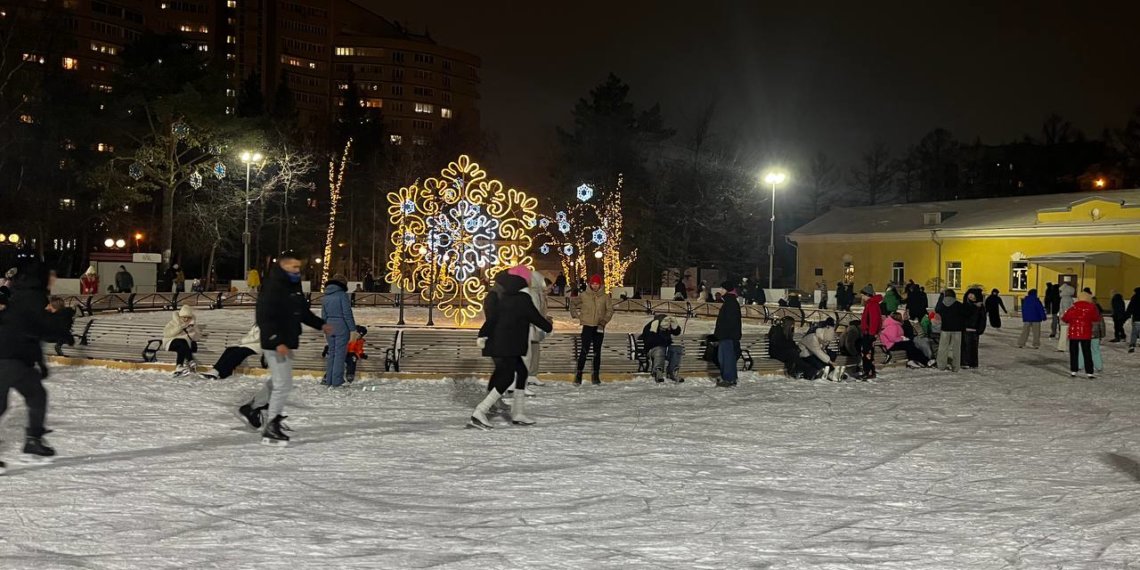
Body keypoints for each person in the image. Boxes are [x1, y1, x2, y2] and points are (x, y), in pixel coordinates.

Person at [236, 251, 332, 447]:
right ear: (283, 266)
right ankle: (271, 425)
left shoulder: (292, 286)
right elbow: (264, 317)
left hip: (287, 341)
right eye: (294, 267)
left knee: (279, 381)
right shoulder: (273, 287)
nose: (298, 271)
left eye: (299, 267)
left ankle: (252, 408)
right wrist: (276, 340)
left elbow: (302, 312)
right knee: (283, 385)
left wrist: (321, 324)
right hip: (275, 343)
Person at [0, 256, 74, 466]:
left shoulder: (24, 294)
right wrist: (63, 317)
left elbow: (30, 331)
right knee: (24, 398)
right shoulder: (32, 297)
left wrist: (39, 363)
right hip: (9, 357)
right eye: (52, 275)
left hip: (15, 357)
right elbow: (42, 329)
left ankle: (33, 439)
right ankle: (33, 439)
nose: (54, 278)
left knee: (35, 396)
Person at [470, 268, 553, 429]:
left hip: (500, 343)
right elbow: (534, 317)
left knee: (521, 372)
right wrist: (548, 328)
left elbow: (492, 318)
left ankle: (518, 412)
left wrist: (483, 335)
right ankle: (480, 411)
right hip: (508, 345)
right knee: (507, 377)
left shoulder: (504, 297)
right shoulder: (523, 298)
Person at [571, 274, 613, 385]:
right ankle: (579, 374)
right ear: (590, 284)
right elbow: (573, 303)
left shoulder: (605, 297)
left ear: (600, 285)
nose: (595, 286)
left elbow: (610, 310)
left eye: (597, 284)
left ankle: (595, 375)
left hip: (599, 327)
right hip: (587, 326)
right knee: (584, 351)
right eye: (593, 284)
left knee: (597, 352)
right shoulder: (584, 295)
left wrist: (604, 321)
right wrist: (576, 314)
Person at [320, 274, 356, 388]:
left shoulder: (325, 296)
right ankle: (337, 380)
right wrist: (353, 329)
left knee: (332, 354)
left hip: (329, 325)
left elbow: (323, 315)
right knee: (340, 354)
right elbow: (347, 314)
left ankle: (329, 379)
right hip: (341, 326)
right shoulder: (342, 295)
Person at [522, 268, 550, 389]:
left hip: (536, 326)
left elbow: (540, 311)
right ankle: (524, 377)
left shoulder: (539, 294)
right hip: (530, 327)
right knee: (528, 352)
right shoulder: (531, 293)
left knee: (535, 350)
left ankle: (532, 374)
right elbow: (532, 312)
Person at [1063, 291, 1099, 379]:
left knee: (1074, 352)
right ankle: (1089, 372)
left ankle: (1073, 371)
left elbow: (1065, 318)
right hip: (1086, 334)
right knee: (1087, 352)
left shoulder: (1073, 308)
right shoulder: (1091, 307)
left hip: (1073, 334)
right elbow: (1096, 318)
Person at [163, 305, 207, 377]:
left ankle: (179, 366)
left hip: (184, 346)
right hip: (171, 342)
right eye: (184, 317)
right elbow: (166, 334)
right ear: (180, 316)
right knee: (182, 342)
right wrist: (179, 328)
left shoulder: (193, 325)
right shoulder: (173, 322)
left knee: (182, 347)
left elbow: (197, 338)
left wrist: (191, 331)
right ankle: (190, 360)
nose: (186, 319)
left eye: (188, 317)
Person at [714, 284, 743, 387]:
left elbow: (729, 322)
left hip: (727, 336)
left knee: (726, 358)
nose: (720, 290)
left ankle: (729, 379)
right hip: (728, 335)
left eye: (722, 288)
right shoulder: (730, 301)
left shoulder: (730, 303)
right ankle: (730, 378)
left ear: (726, 290)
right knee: (725, 358)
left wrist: (721, 334)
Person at [642, 314, 684, 383]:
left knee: (677, 349)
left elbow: (676, 333)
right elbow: (649, 342)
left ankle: (672, 372)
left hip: (665, 350)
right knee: (660, 349)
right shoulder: (650, 327)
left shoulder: (666, 327)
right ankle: (658, 372)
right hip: (653, 350)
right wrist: (654, 330)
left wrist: (675, 327)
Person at [936, 289, 967, 372]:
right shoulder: (959, 305)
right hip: (957, 329)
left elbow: (937, 310)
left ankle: (941, 365)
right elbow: (965, 315)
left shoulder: (941, 305)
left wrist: (941, 296)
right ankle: (955, 366)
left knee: (943, 348)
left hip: (945, 328)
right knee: (956, 349)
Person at [858, 284, 883, 380]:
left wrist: (871, 333)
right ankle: (870, 371)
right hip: (870, 332)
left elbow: (874, 320)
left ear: (867, 295)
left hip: (869, 333)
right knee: (869, 353)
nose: (862, 297)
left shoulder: (872, 304)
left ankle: (867, 371)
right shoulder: (872, 303)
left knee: (866, 353)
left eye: (863, 295)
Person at [1078, 300, 1106, 374]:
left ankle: (1080, 365)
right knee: (1096, 350)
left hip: (1085, 335)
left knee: (1082, 350)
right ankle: (1098, 366)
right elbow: (1102, 326)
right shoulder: (1099, 315)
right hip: (1096, 335)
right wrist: (1102, 335)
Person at [962, 289, 986, 369]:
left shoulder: (980, 307)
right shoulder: (965, 305)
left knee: (973, 348)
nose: (971, 296)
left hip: (974, 330)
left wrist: (980, 330)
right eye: (969, 294)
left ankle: (973, 363)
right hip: (965, 329)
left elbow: (983, 319)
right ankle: (965, 362)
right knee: (965, 347)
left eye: (973, 295)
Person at [1055, 281, 1076, 350]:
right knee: (1068, 333)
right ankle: (1067, 347)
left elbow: (1065, 310)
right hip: (1068, 319)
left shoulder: (1064, 299)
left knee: (1063, 333)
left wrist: (1062, 317)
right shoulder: (1069, 298)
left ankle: (1061, 347)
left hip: (1065, 319)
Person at [1128, 287, 1140, 353]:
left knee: (1134, 333)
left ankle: (1132, 345)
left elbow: (1130, 307)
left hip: (1136, 319)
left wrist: (1127, 315)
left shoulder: (1134, 298)